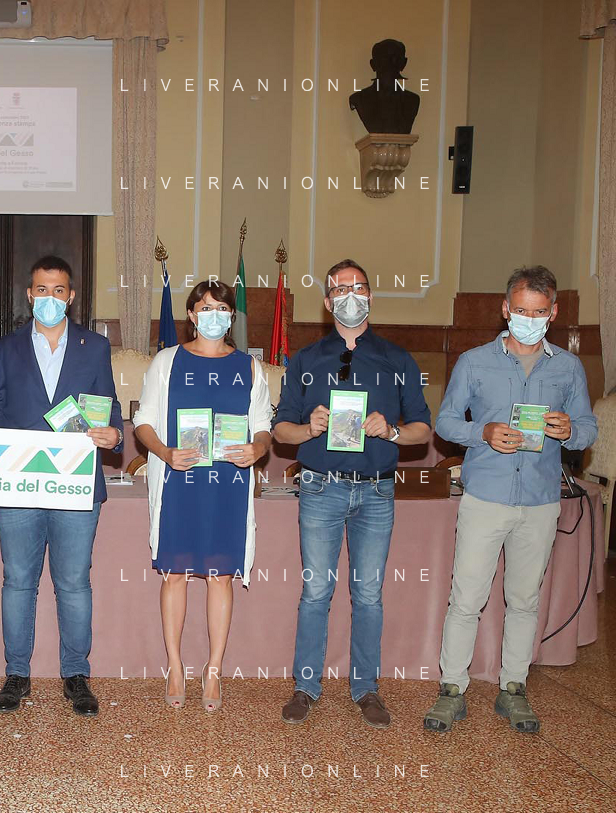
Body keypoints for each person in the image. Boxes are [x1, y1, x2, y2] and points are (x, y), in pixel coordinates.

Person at [424, 266, 597, 734]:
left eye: (539, 313)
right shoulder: (474, 362)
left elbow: (587, 428)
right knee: (466, 599)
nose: (529, 320)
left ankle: (513, 688)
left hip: (539, 500)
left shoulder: (568, 367)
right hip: (486, 497)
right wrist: (481, 432)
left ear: (553, 313)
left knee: (524, 600)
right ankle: (452, 690)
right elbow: (445, 422)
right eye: (521, 311)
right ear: (505, 309)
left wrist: (571, 430)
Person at [272, 259, 432, 729]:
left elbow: (423, 430)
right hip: (321, 488)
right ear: (327, 302)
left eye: (358, 287)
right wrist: (309, 427)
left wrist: (392, 430)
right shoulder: (305, 360)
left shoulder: (398, 359)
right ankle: (305, 687)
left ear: (371, 296)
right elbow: (280, 430)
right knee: (316, 590)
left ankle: (366, 689)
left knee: (368, 593)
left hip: (377, 491)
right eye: (340, 289)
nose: (350, 295)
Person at [0, 255, 123, 716]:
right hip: (19, 481)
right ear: (29, 295)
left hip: (76, 482)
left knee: (73, 582)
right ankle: (16, 674)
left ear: (70, 297)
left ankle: (76, 675)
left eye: (58, 291)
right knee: (18, 581)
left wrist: (114, 434)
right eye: (41, 290)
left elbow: (109, 407)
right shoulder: (6, 348)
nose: (49, 298)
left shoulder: (95, 347)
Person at [132, 281, 273, 711]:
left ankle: (214, 670)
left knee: (220, 575)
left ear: (232, 316)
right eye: (205, 308)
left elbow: (263, 425)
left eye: (222, 308)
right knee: (174, 574)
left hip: (229, 483)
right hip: (180, 480)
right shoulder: (168, 361)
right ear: (192, 315)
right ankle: (175, 666)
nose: (214, 315)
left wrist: (258, 448)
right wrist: (165, 453)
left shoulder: (249, 367)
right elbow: (143, 421)